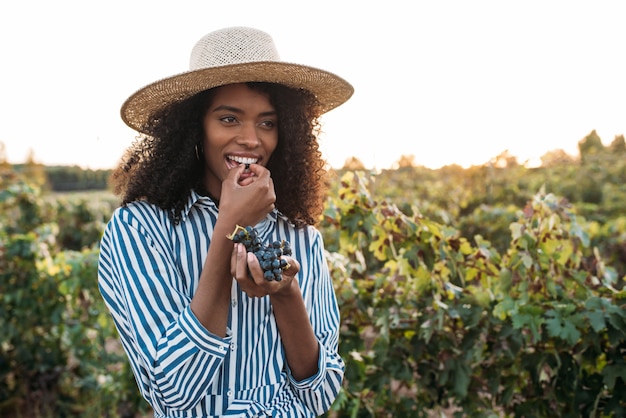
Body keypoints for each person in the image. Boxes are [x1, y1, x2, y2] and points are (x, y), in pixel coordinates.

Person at [97, 26, 353, 418]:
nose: (252, 139)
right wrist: (229, 227)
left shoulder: (300, 236)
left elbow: (319, 396)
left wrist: (285, 294)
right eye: (229, 119)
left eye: (268, 122)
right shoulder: (138, 230)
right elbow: (174, 393)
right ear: (193, 128)